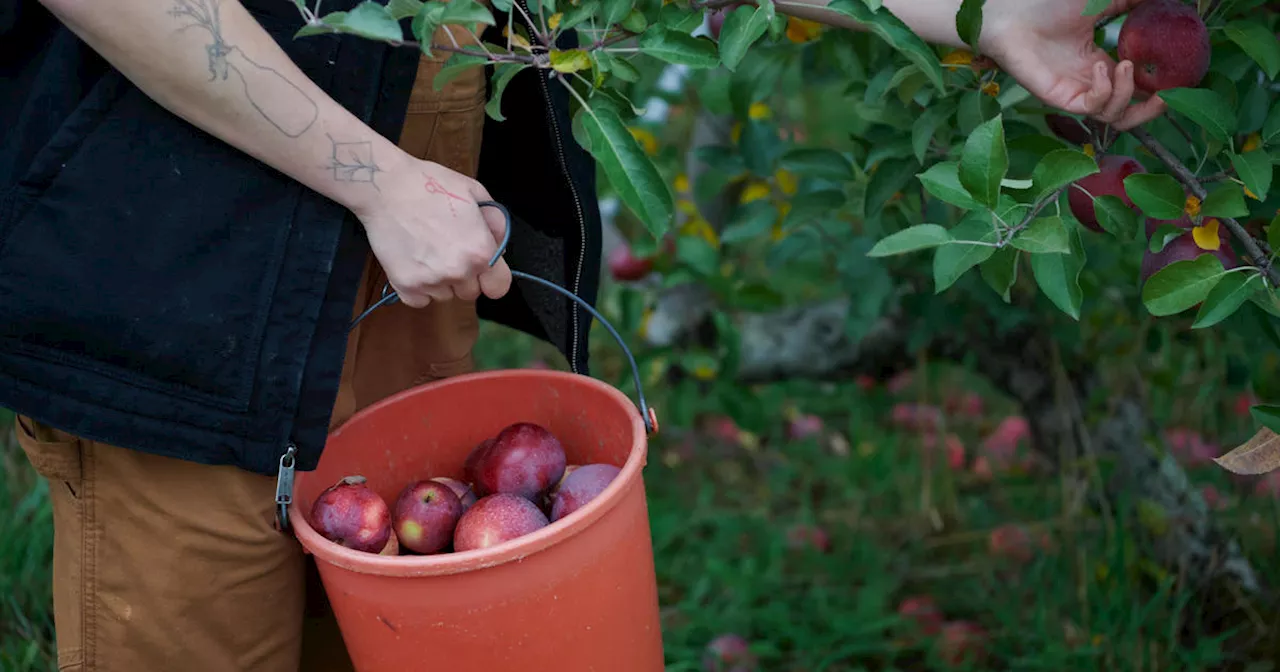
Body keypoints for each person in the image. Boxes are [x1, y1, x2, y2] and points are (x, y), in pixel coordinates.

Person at [0, 0, 1165, 668]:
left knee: (400, 627)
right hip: (175, 255)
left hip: (404, 226)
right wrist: (372, 180)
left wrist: (974, 5)